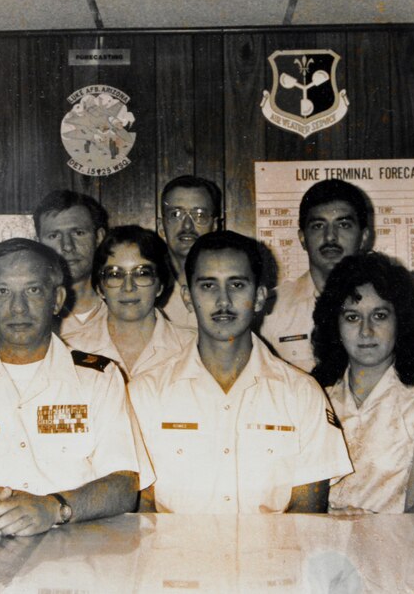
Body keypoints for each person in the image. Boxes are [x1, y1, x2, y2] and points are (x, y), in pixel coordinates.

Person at [0, 238, 150, 537]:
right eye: (3, 292)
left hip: (73, 556)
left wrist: (53, 507)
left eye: (33, 290)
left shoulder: (99, 378)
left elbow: (124, 483)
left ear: (57, 298)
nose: (18, 308)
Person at [128, 231, 352, 513]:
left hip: (272, 557)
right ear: (188, 297)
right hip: (175, 555)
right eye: (208, 286)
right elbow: (142, 507)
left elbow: (307, 516)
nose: (223, 301)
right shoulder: (145, 393)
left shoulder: (301, 394)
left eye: (237, 285)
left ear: (259, 297)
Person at [312, 253, 414, 514]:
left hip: (394, 549)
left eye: (379, 316)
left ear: (400, 321)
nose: (366, 331)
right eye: (352, 317)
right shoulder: (312, 396)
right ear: (334, 325)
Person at [260, 179, 372, 372]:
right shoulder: (271, 312)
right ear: (302, 238)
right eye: (318, 226)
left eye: (343, 225)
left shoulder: (388, 305)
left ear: (363, 237)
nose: (330, 237)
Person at [65, 226, 195, 379]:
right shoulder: (70, 349)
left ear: (160, 285)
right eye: (115, 275)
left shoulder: (193, 346)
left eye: (142, 274)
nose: (128, 287)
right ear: (100, 288)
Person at [33, 190, 108, 339]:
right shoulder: (25, 314)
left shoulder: (126, 306)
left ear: (99, 237)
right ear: (38, 243)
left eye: (78, 233)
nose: (67, 246)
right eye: (54, 236)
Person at [158, 175, 222, 329]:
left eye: (199, 215)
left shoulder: (232, 289)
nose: (187, 226)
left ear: (214, 225)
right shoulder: (147, 289)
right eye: (176, 214)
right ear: (161, 226)